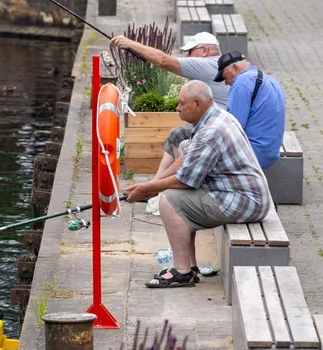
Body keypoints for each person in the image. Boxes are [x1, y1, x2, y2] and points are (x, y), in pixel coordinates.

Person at [124, 80, 273, 289]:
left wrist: (150, 190)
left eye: (181, 103)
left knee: (170, 201)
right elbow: (185, 162)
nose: (177, 108)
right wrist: (153, 184)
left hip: (246, 201)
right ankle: (190, 268)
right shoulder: (216, 117)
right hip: (243, 193)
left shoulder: (210, 132)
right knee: (178, 192)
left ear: (197, 104)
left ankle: (182, 271)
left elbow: (186, 181)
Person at [109, 32, 227, 175]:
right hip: (215, 126)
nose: (188, 56)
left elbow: (163, 61)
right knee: (177, 134)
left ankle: (164, 184)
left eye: (190, 51)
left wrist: (129, 44)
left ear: (205, 51)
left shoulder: (206, 64)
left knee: (180, 135)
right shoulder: (217, 63)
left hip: (214, 133)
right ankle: (157, 183)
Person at [215, 51, 287, 169]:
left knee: (193, 149)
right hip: (270, 150)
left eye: (225, 77)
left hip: (253, 152)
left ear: (234, 68)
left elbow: (233, 127)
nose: (226, 82)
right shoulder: (268, 79)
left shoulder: (241, 83)